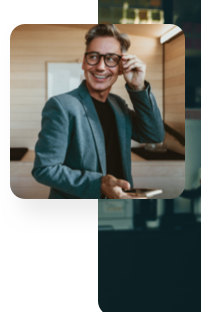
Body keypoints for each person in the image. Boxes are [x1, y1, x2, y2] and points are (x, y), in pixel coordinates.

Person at [32, 24, 165, 199]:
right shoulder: (61, 106)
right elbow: (44, 169)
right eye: (93, 57)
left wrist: (138, 86)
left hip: (118, 206)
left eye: (110, 59)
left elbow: (154, 135)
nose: (101, 67)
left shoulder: (119, 105)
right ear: (84, 62)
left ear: (120, 67)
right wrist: (99, 184)